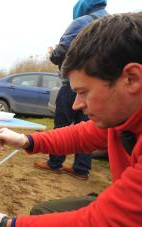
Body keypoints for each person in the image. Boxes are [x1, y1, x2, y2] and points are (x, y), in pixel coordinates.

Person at [0, 13, 142, 227]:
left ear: (131, 78)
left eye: (84, 92)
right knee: (44, 214)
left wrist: (4, 224)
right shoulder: (123, 116)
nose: (75, 105)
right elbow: (82, 134)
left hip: (126, 223)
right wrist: (27, 140)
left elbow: (102, 220)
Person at [35, 0, 108, 180]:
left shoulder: (82, 22)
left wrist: (53, 53)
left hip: (75, 83)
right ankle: (81, 168)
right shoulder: (112, 21)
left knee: (62, 121)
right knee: (89, 126)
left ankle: (55, 162)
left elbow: (60, 53)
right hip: (102, 88)